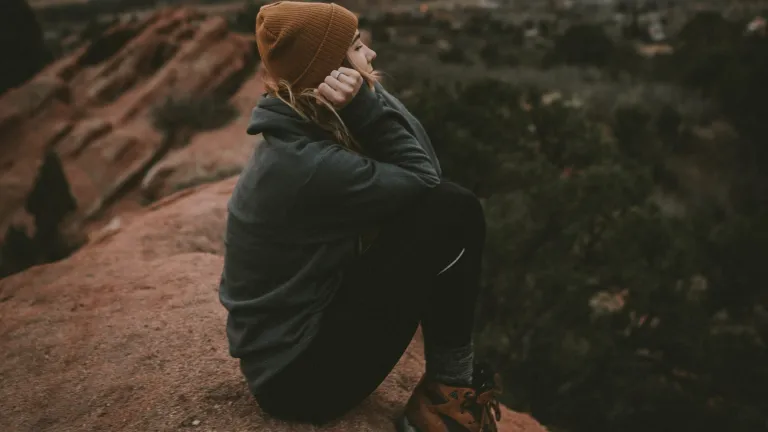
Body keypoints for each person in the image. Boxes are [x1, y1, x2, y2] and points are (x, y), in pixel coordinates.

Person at [219, 2, 503, 431]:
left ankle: (448, 392)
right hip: (300, 379)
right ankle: (447, 400)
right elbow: (429, 182)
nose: (370, 53)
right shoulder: (308, 166)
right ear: (330, 73)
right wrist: (365, 103)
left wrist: (363, 98)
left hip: (293, 355)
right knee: (455, 210)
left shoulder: (300, 127)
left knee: (445, 207)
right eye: (355, 47)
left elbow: (425, 169)